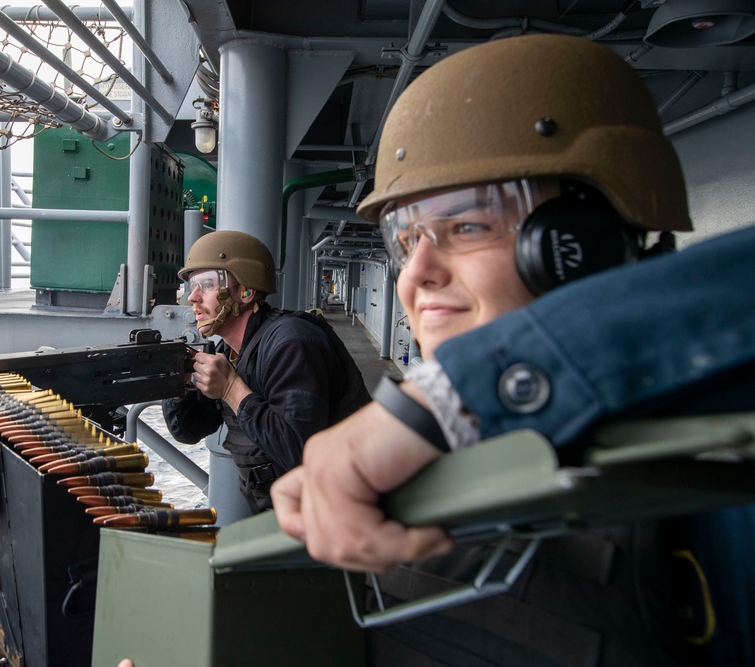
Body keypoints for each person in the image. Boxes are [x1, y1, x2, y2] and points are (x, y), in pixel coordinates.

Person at [273, 34, 755, 666]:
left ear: (583, 243)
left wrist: (460, 395)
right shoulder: (405, 467)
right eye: (405, 237)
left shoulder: (720, 472)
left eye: (466, 225)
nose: (414, 274)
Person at [162, 229, 370, 513]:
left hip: (338, 512)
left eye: (206, 284)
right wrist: (180, 382)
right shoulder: (230, 352)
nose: (192, 298)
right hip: (291, 511)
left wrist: (231, 390)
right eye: (191, 286)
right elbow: (188, 430)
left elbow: (301, 452)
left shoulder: (292, 342)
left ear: (245, 292)